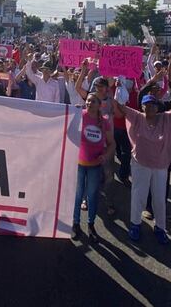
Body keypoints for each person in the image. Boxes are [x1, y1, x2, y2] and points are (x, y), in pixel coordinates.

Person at [115, 91, 171, 244]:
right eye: (146, 105)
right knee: (138, 195)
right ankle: (135, 224)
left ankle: (160, 227)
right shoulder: (137, 116)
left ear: (157, 107)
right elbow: (120, 107)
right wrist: (116, 86)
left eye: (153, 105)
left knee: (159, 198)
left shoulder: (165, 118)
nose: (150, 108)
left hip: (160, 166)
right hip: (140, 164)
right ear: (142, 107)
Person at [71, 93, 115, 243]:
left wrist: (106, 155)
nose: (89, 103)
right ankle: (76, 224)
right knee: (77, 196)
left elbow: (112, 143)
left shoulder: (104, 122)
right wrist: (72, 112)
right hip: (79, 164)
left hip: (95, 166)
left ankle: (91, 225)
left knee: (92, 196)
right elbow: (68, 131)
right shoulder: (79, 115)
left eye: (93, 101)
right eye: (88, 100)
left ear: (99, 105)